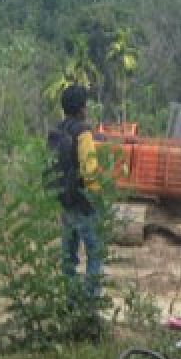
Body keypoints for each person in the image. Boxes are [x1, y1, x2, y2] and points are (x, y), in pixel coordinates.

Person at [51, 84, 104, 299]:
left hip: (64, 200)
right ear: (82, 108)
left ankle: (70, 301)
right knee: (94, 253)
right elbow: (89, 169)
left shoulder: (56, 131)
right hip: (84, 202)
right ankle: (90, 303)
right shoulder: (83, 132)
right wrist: (98, 194)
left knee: (68, 256)